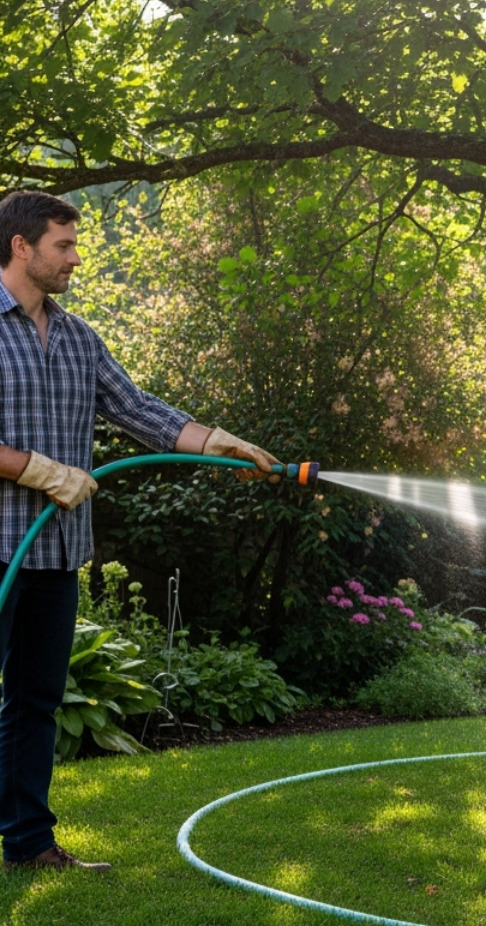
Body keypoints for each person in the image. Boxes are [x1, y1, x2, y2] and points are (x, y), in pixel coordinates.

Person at [0, 190, 279, 872]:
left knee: (34, 702)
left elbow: (138, 409)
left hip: (56, 552)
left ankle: (30, 846)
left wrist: (215, 440)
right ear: (20, 246)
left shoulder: (75, 336)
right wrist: (36, 468)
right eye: (63, 244)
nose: (75, 256)